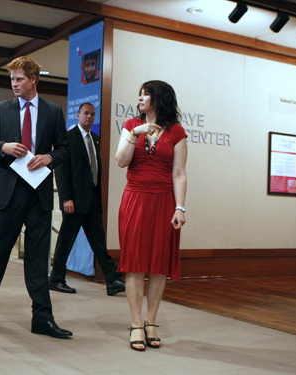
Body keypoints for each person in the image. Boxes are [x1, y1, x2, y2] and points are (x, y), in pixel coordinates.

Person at [0, 56, 71, 338]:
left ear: (33, 80)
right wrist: (3, 146)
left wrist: (49, 157)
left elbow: (64, 150)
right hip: (8, 193)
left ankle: (42, 318)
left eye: (19, 79)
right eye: (12, 79)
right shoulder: (0, 109)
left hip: (39, 194)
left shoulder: (53, 112)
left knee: (39, 259)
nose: (14, 84)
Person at [114, 80, 187, 351]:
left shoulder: (177, 131)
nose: (141, 98)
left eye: (146, 94)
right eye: (140, 94)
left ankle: (151, 322)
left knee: (158, 265)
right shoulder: (132, 125)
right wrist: (137, 133)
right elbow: (121, 160)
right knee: (134, 264)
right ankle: (135, 324)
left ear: (159, 99)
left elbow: (179, 172)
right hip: (135, 198)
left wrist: (180, 207)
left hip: (164, 201)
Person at [49, 102, 125, 295]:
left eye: (92, 114)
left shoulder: (95, 139)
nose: (89, 117)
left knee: (98, 241)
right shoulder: (68, 138)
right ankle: (56, 279)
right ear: (78, 115)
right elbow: (61, 170)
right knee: (66, 240)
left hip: (92, 200)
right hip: (73, 202)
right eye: (85, 114)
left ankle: (112, 280)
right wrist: (66, 198)